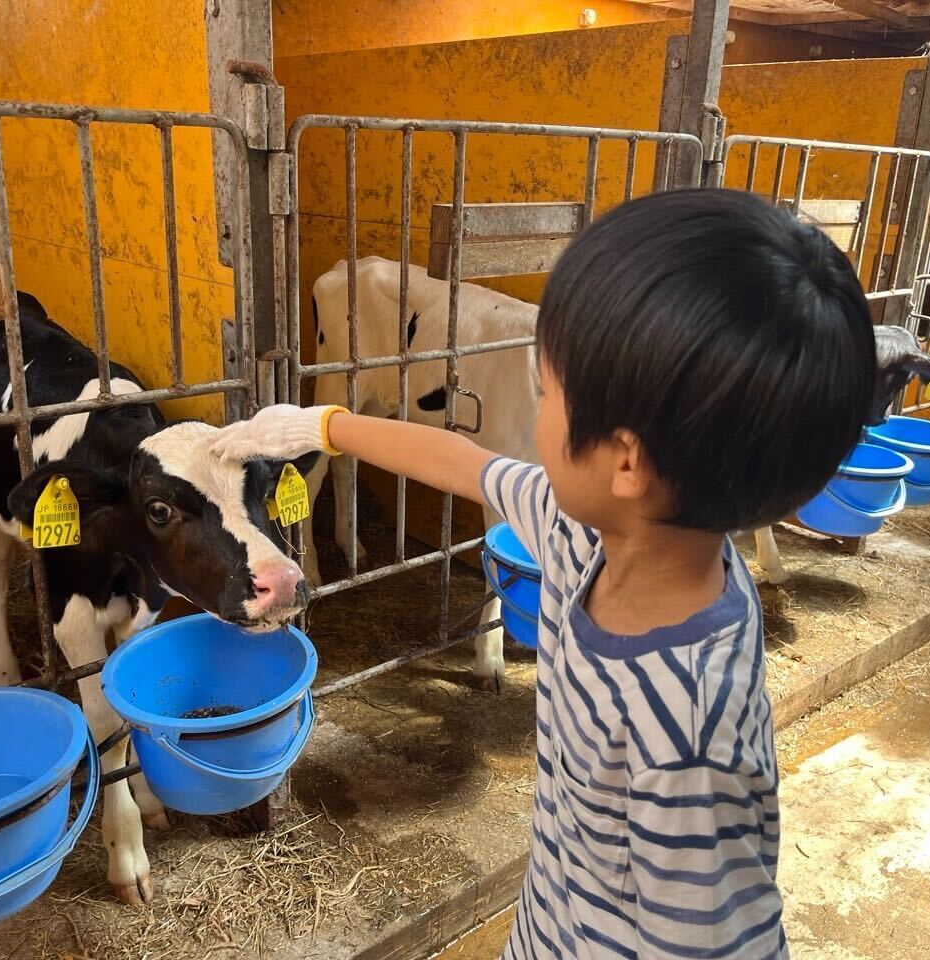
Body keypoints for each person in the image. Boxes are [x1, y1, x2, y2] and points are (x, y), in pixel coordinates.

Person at [206, 188, 877, 959]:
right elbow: (468, 463)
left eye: (546, 394)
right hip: (552, 924)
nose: (536, 409)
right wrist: (323, 425)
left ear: (625, 459)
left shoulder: (691, 735)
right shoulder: (590, 533)